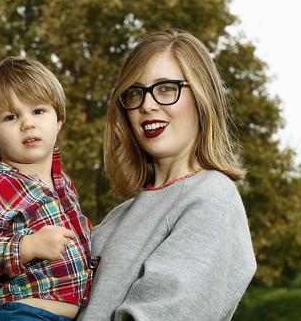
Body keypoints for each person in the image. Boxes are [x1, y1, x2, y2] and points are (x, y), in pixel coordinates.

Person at [77, 29, 256, 321]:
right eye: (135, 92)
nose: (147, 105)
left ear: (201, 98)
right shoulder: (117, 218)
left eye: (166, 88)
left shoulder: (211, 196)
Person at [0, 57, 96, 321]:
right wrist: (27, 246)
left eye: (38, 111)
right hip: (23, 313)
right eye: (11, 116)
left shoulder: (64, 185)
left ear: (58, 120)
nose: (27, 123)